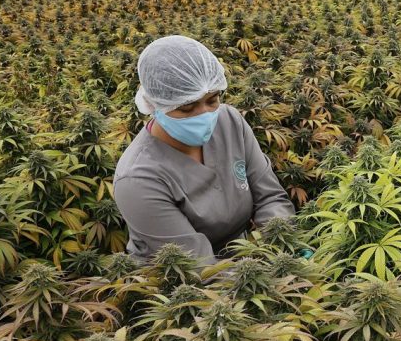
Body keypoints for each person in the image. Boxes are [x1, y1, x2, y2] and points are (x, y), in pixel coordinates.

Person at [114, 35, 295, 263]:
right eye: (187, 107)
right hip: (182, 277)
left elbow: (270, 197)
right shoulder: (137, 179)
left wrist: (281, 244)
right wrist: (263, 273)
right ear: (155, 104)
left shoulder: (229, 121)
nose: (204, 115)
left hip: (246, 259)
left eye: (212, 100)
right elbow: (198, 266)